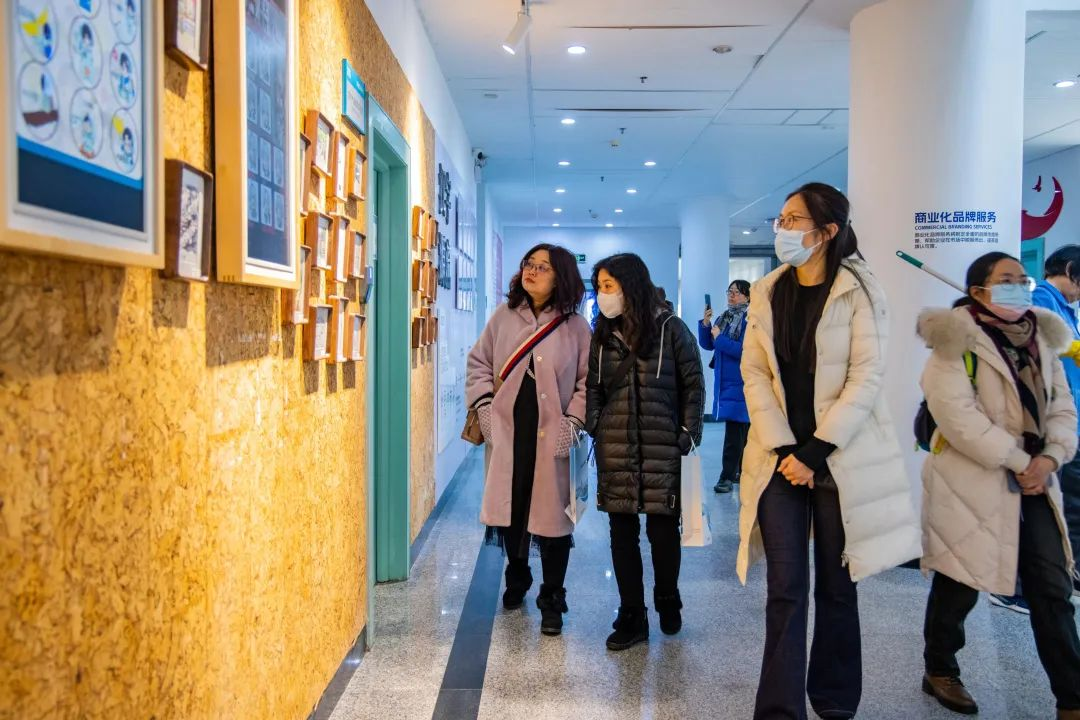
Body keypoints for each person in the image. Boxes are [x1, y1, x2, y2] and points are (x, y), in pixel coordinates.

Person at [736, 182, 921, 720]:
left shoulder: (860, 290)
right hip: (777, 457)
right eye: (781, 219)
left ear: (827, 231)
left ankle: (835, 702)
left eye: (793, 220)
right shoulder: (768, 290)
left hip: (839, 459)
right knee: (785, 588)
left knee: (839, 587)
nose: (782, 229)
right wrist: (785, 447)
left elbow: (866, 377)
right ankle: (779, 709)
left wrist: (814, 452)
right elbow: (754, 372)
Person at [918, 252, 1080, 719]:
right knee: (960, 581)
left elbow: (1063, 406)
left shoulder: (1042, 338)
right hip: (973, 482)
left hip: (1037, 483)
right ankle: (940, 669)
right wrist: (1019, 461)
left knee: (1052, 588)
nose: (1019, 286)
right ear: (978, 291)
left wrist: (1049, 458)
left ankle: (1072, 696)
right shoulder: (955, 340)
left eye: (1022, 279)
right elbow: (956, 415)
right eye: (1006, 279)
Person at [465, 244, 591, 637]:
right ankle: (517, 575)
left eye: (542, 267)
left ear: (561, 277)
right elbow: (478, 362)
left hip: (554, 434)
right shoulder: (504, 316)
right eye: (528, 264)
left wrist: (574, 421)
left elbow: (588, 382)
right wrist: (484, 407)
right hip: (509, 431)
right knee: (513, 509)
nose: (531, 271)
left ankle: (552, 598)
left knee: (555, 519)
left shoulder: (575, 327)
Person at [585, 253, 704, 651]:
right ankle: (632, 615)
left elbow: (693, 383)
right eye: (599, 287)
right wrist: (596, 424)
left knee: (662, 531)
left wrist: (687, 433)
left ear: (630, 285)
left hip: (661, 445)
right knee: (622, 534)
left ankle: (667, 599)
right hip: (616, 446)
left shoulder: (671, 329)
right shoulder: (602, 335)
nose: (603, 294)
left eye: (609, 286)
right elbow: (593, 387)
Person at [1033, 245, 1080, 601]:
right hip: (1051, 424)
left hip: (1070, 421)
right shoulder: (1042, 299)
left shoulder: (1065, 308)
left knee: (1072, 503)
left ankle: (1069, 570)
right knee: (1065, 506)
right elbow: (1039, 342)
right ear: (1070, 270)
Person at [699, 280, 751, 494]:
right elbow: (708, 344)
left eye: (736, 292)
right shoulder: (725, 318)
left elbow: (743, 350)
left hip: (741, 382)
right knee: (741, 432)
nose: (731, 295)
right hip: (727, 382)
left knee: (735, 433)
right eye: (729, 291)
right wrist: (706, 324)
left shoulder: (749, 320)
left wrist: (719, 338)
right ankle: (740, 472)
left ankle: (726, 477)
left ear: (748, 296)